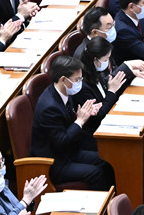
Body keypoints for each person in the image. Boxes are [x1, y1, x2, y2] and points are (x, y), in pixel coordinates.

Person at [33, 55, 115, 189]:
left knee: (107, 161)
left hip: (70, 152)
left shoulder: (64, 92)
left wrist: (84, 114)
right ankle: (100, 207)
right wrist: (80, 120)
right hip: (55, 161)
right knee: (96, 173)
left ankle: (114, 202)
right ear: (63, 79)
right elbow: (61, 141)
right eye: (77, 79)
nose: (80, 83)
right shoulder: (49, 107)